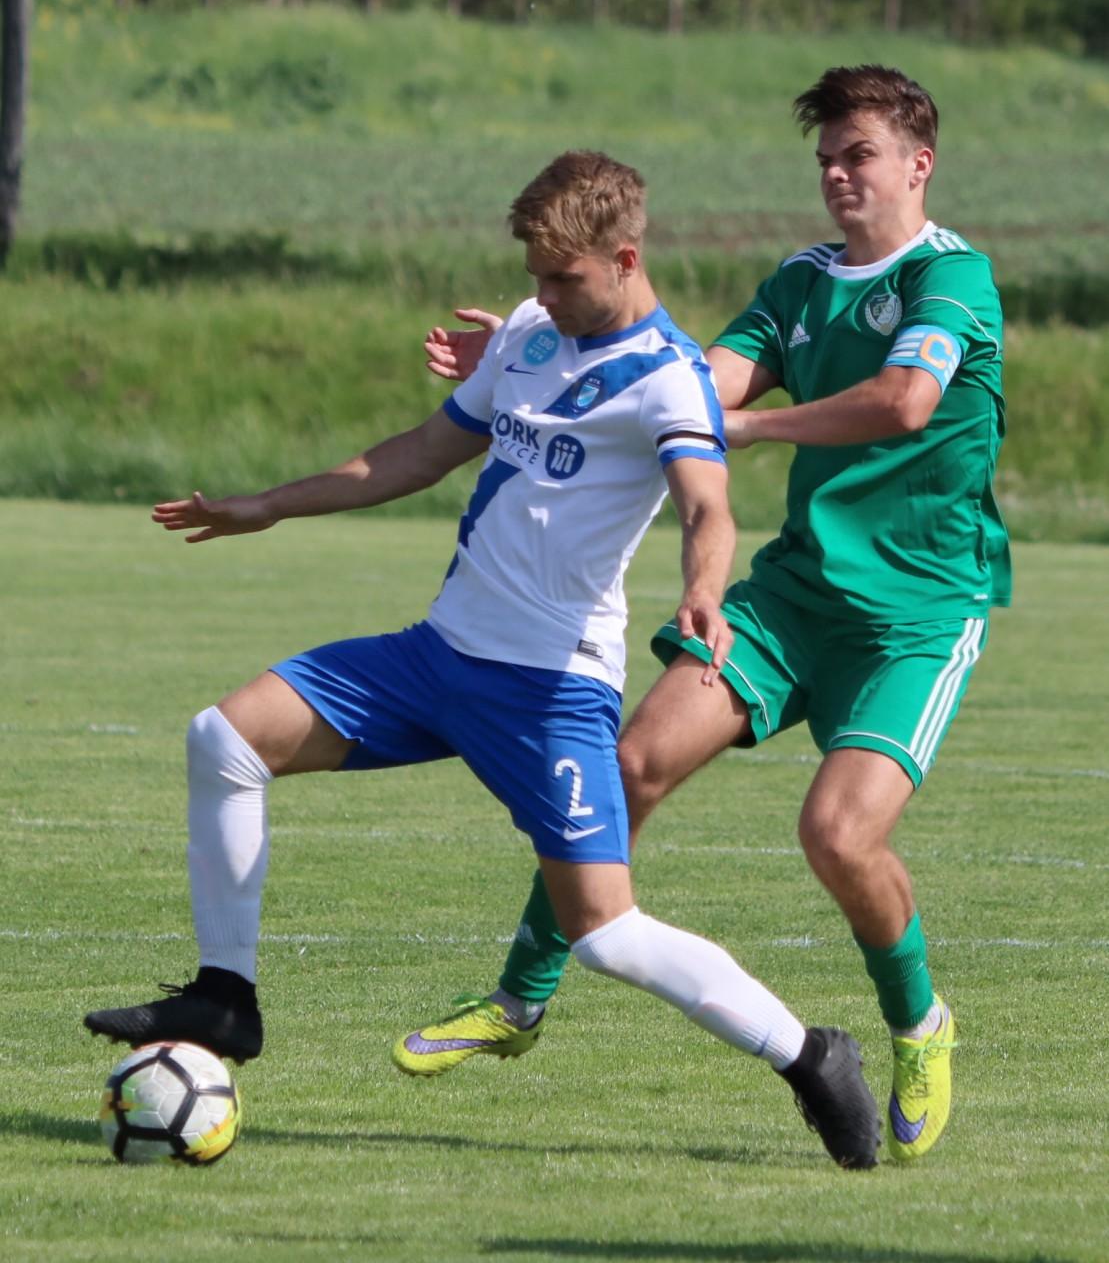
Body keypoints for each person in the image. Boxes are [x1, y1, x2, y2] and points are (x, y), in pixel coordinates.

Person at [83, 150, 881, 1171]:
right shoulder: (529, 332)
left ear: (625, 258)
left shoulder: (669, 378)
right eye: (534, 274)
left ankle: (810, 1055)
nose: (543, 295)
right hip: (435, 658)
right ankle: (224, 997)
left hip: (547, 693)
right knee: (224, 739)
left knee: (604, 934)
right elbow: (420, 452)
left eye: (563, 277)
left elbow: (706, 507)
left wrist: (702, 589)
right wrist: (271, 503)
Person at [401, 66, 1007, 1165]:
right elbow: (692, 376)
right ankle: (518, 1001)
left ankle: (919, 1021)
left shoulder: (950, 277)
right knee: (627, 764)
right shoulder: (800, 281)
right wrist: (541, 363)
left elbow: (905, 400)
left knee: (838, 835)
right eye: (825, 158)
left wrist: (760, 428)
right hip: (794, 594)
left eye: (859, 155)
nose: (837, 175)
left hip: (916, 614)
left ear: (917, 164)